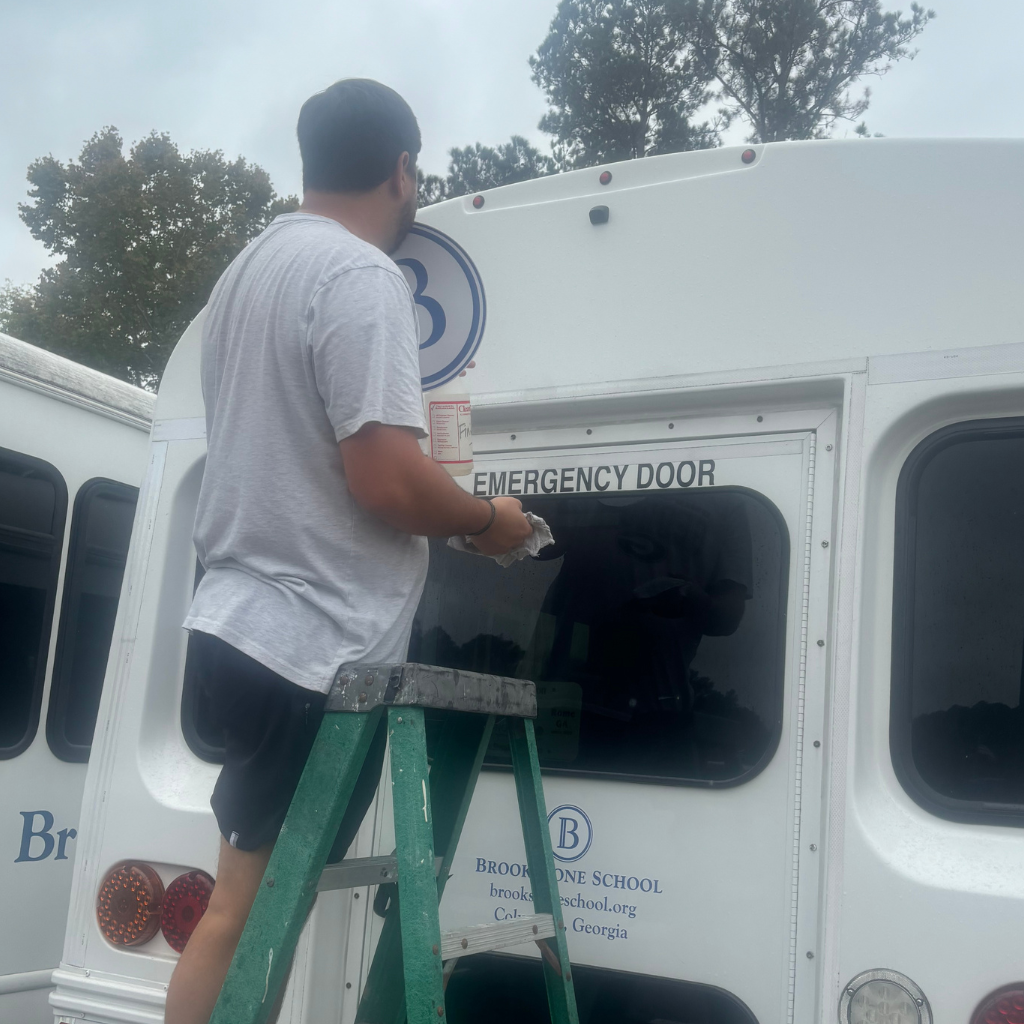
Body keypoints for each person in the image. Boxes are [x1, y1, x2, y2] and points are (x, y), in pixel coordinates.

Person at [165, 79, 531, 1024]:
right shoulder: (360, 276)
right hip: (307, 643)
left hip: (234, 624)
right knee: (247, 916)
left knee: (246, 910)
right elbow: (386, 480)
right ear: (402, 170)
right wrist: (488, 521)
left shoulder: (245, 274)